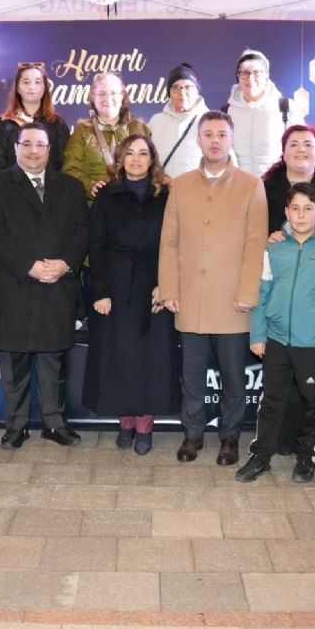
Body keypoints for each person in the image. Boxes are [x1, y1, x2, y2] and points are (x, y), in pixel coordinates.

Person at [158, 110, 268, 466]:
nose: (215, 141)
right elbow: (169, 242)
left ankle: (230, 436)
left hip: (233, 301)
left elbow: (256, 244)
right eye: (208, 134)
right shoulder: (180, 185)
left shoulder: (251, 185)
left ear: (232, 139)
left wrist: (248, 292)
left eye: (222, 134)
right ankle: (192, 434)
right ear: (198, 140)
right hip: (190, 298)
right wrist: (169, 288)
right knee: (191, 377)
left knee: (233, 378)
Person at [0, 122, 88, 449]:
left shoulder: (71, 187)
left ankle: (55, 423)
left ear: (50, 149)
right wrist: (30, 266)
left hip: (57, 285)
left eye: (40, 144)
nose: (33, 150)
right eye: (26, 144)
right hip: (13, 286)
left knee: (53, 359)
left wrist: (66, 263)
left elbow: (82, 231)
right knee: (14, 362)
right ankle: (16, 426)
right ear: (15, 148)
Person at [238, 182, 315, 483]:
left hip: (314, 341)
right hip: (276, 339)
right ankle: (261, 455)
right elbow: (263, 292)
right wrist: (258, 335)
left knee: (313, 404)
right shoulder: (274, 247)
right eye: (295, 208)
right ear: (286, 212)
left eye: (308, 208)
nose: (301, 215)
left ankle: (307, 455)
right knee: (271, 400)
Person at [83, 134, 180, 455]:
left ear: (152, 160)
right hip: (117, 284)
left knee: (153, 358)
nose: (136, 159)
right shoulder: (106, 195)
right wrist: (101, 290)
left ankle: (145, 426)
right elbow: (95, 244)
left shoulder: (166, 195)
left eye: (143, 153)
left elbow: (176, 243)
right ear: (120, 159)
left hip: (155, 285)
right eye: (130, 153)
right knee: (120, 356)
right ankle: (125, 422)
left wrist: (166, 285)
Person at [63, 71, 150, 203]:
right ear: (93, 98)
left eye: (113, 93)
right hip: (95, 207)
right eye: (102, 93)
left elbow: (153, 167)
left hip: (134, 205)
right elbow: (69, 170)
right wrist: (90, 185)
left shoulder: (139, 129)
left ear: (122, 96)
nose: (108, 98)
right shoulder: (82, 131)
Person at [222, 49, 303, 177]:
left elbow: (301, 149)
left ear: (266, 76)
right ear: (238, 77)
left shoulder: (285, 108)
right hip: (239, 185)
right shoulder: (226, 112)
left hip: (276, 184)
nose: (250, 78)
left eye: (256, 73)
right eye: (244, 73)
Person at [0, 63, 70, 173]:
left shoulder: (57, 124)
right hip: (10, 183)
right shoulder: (3, 124)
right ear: (18, 88)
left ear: (45, 88)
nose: (32, 87)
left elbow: (64, 165)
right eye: (26, 82)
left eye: (37, 82)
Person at [147, 63, 211, 179]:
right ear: (169, 93)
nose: (182, 92)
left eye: (188, 87)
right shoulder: (156, 121)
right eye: (176, 87)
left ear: (197, 91)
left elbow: (225, 163)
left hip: (197, 188)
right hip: (161, 188)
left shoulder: (211, 121)